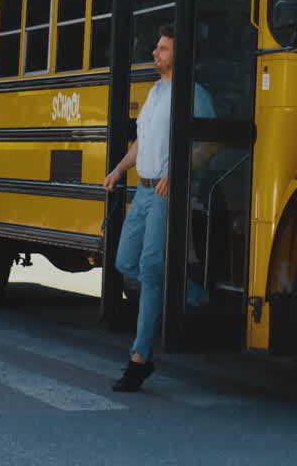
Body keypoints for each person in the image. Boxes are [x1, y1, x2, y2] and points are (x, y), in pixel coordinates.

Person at [103, 23, 213, 392]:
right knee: (123, 262)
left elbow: (212, 144)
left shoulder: (193, 95)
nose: (155, 53)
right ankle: (191, 293)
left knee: (150, 271)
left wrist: (181, 172)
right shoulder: (154, 92)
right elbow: (141, 141)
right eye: (157, 47)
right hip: (144, 190)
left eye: (163, 49)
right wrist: (119, 169)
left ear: (180, 56)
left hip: (167, 193)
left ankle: (139, 358)